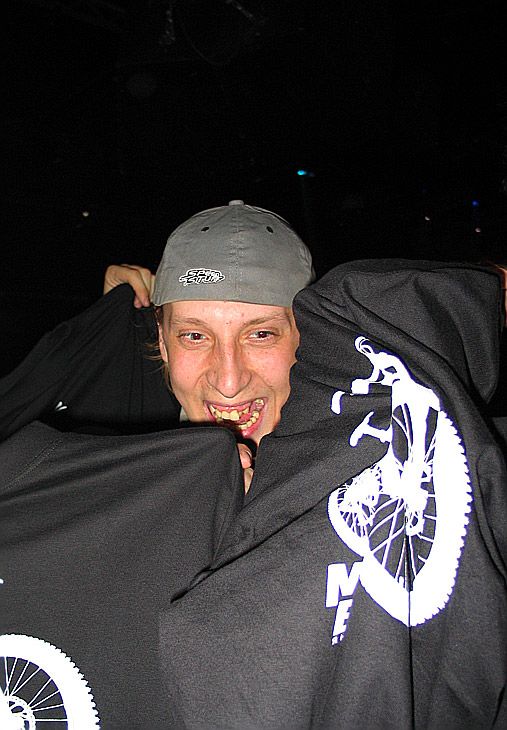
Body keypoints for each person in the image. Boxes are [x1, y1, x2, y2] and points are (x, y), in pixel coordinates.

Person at [103, 199, 315, 489]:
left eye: (261, 334)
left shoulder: (363, 466)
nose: (228, 384)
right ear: (163, 342)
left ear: (309, 338)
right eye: (195, 336)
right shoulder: (125, 458)